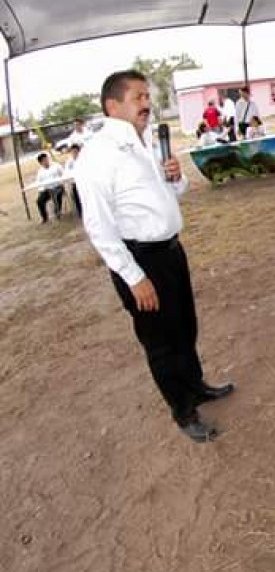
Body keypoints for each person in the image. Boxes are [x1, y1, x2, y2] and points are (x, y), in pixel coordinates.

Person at [74, 70, 233, 443]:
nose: (148, 104)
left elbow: (165, 198)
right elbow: (98, 226)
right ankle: (183, 411)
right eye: (139, 97)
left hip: (170, 253)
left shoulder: (143, 143)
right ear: (113, 106)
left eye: (148, 96)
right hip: (141, 261)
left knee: (185, 328)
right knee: (161, 343)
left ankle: (196, 387)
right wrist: (134, 277)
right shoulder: (98, 155)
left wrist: (175, 179)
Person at [34, 152, 66, 223]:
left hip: (58, 187)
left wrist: (61, 183)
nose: (45, 161)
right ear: (40, 163)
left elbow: (64, 174)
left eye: (46, 159)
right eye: (43, 161)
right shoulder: (40, 171)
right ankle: (44, 217)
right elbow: (39, 183)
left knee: (56, 194)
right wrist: (43, 190)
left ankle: (58, 211)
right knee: (39, 201)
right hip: (47, 190)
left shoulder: (56, 165)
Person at [65, 144, 84, 217]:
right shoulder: (69, 161)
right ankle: (80, 212)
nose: (74, 153)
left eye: (75, 151)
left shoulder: (83, 159)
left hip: (84, 181)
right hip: (75, 182)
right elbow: (66, 172)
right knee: (75, 192)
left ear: (79, 152)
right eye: (72, 152)